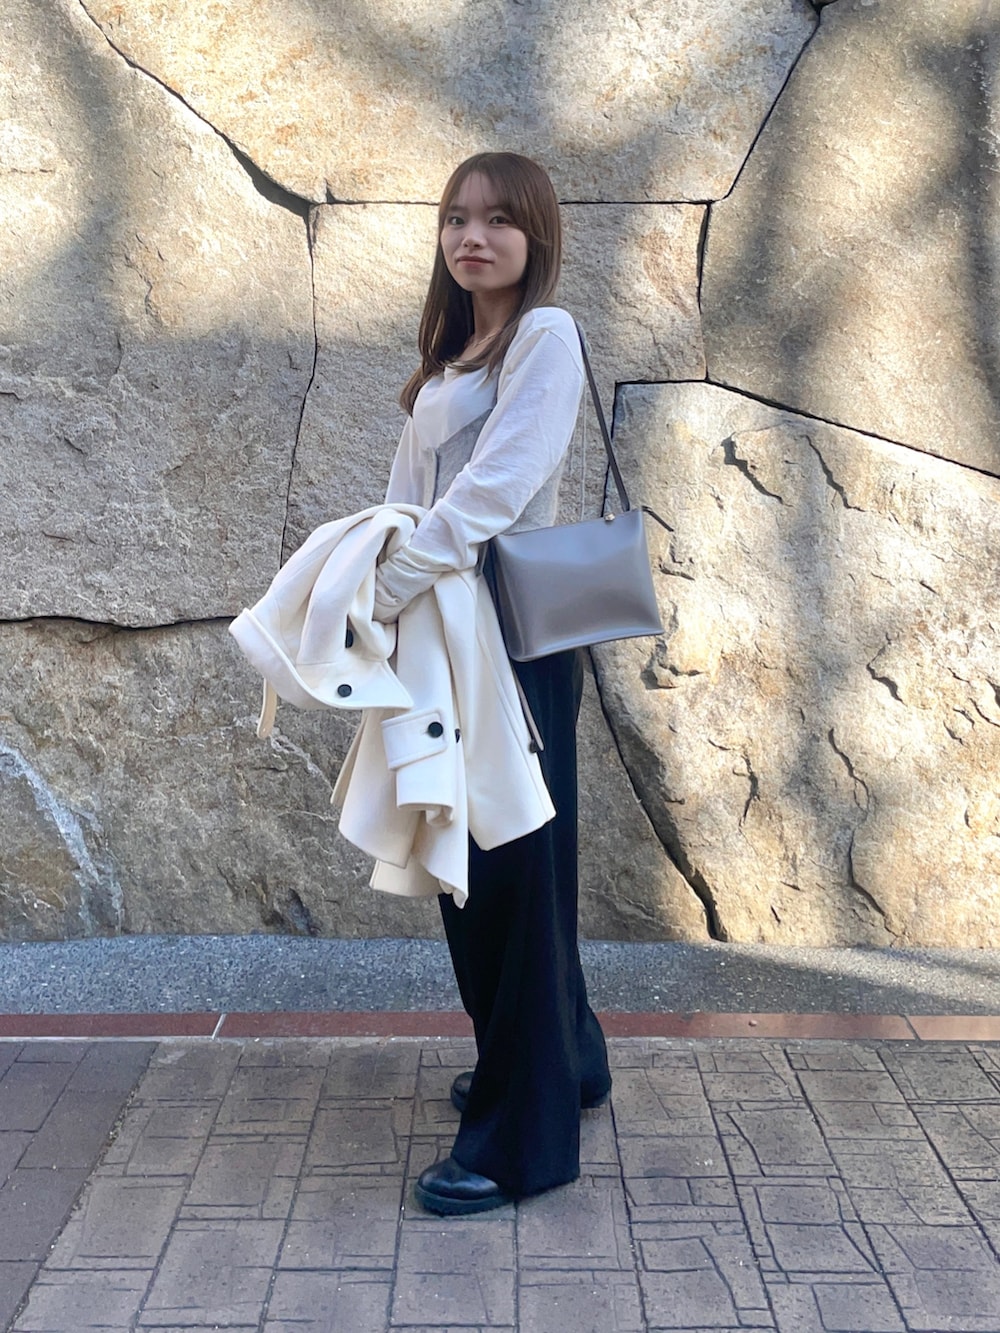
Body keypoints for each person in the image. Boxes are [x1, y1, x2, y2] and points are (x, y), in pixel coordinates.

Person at [372, 151, 611, 1215]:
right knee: (494, 871)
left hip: (509, 639)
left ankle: (523, 1141)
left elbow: (499, 487)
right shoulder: (453, 351)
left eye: (498, 219)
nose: (472, 236)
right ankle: (567, 1060)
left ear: (536, 235)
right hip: (450, 633)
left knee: (508, 879)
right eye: (456, 218)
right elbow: (410, 495)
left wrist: (394, 579)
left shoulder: (545, 335)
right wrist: (379, 576)